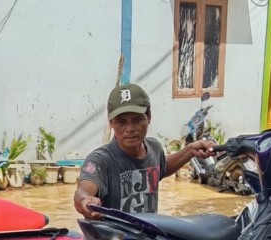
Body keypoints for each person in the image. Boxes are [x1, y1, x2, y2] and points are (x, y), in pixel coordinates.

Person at [75, 83, 215, 222]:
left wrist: (191, 149)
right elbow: (84, 190)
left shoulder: (154, 147)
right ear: (111, 123)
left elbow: (163, 166)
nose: (129, 128)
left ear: (148, 116)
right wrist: (85, 201)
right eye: (121, 122)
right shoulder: (100, 160)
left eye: (137, 120)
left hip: (146, 237)